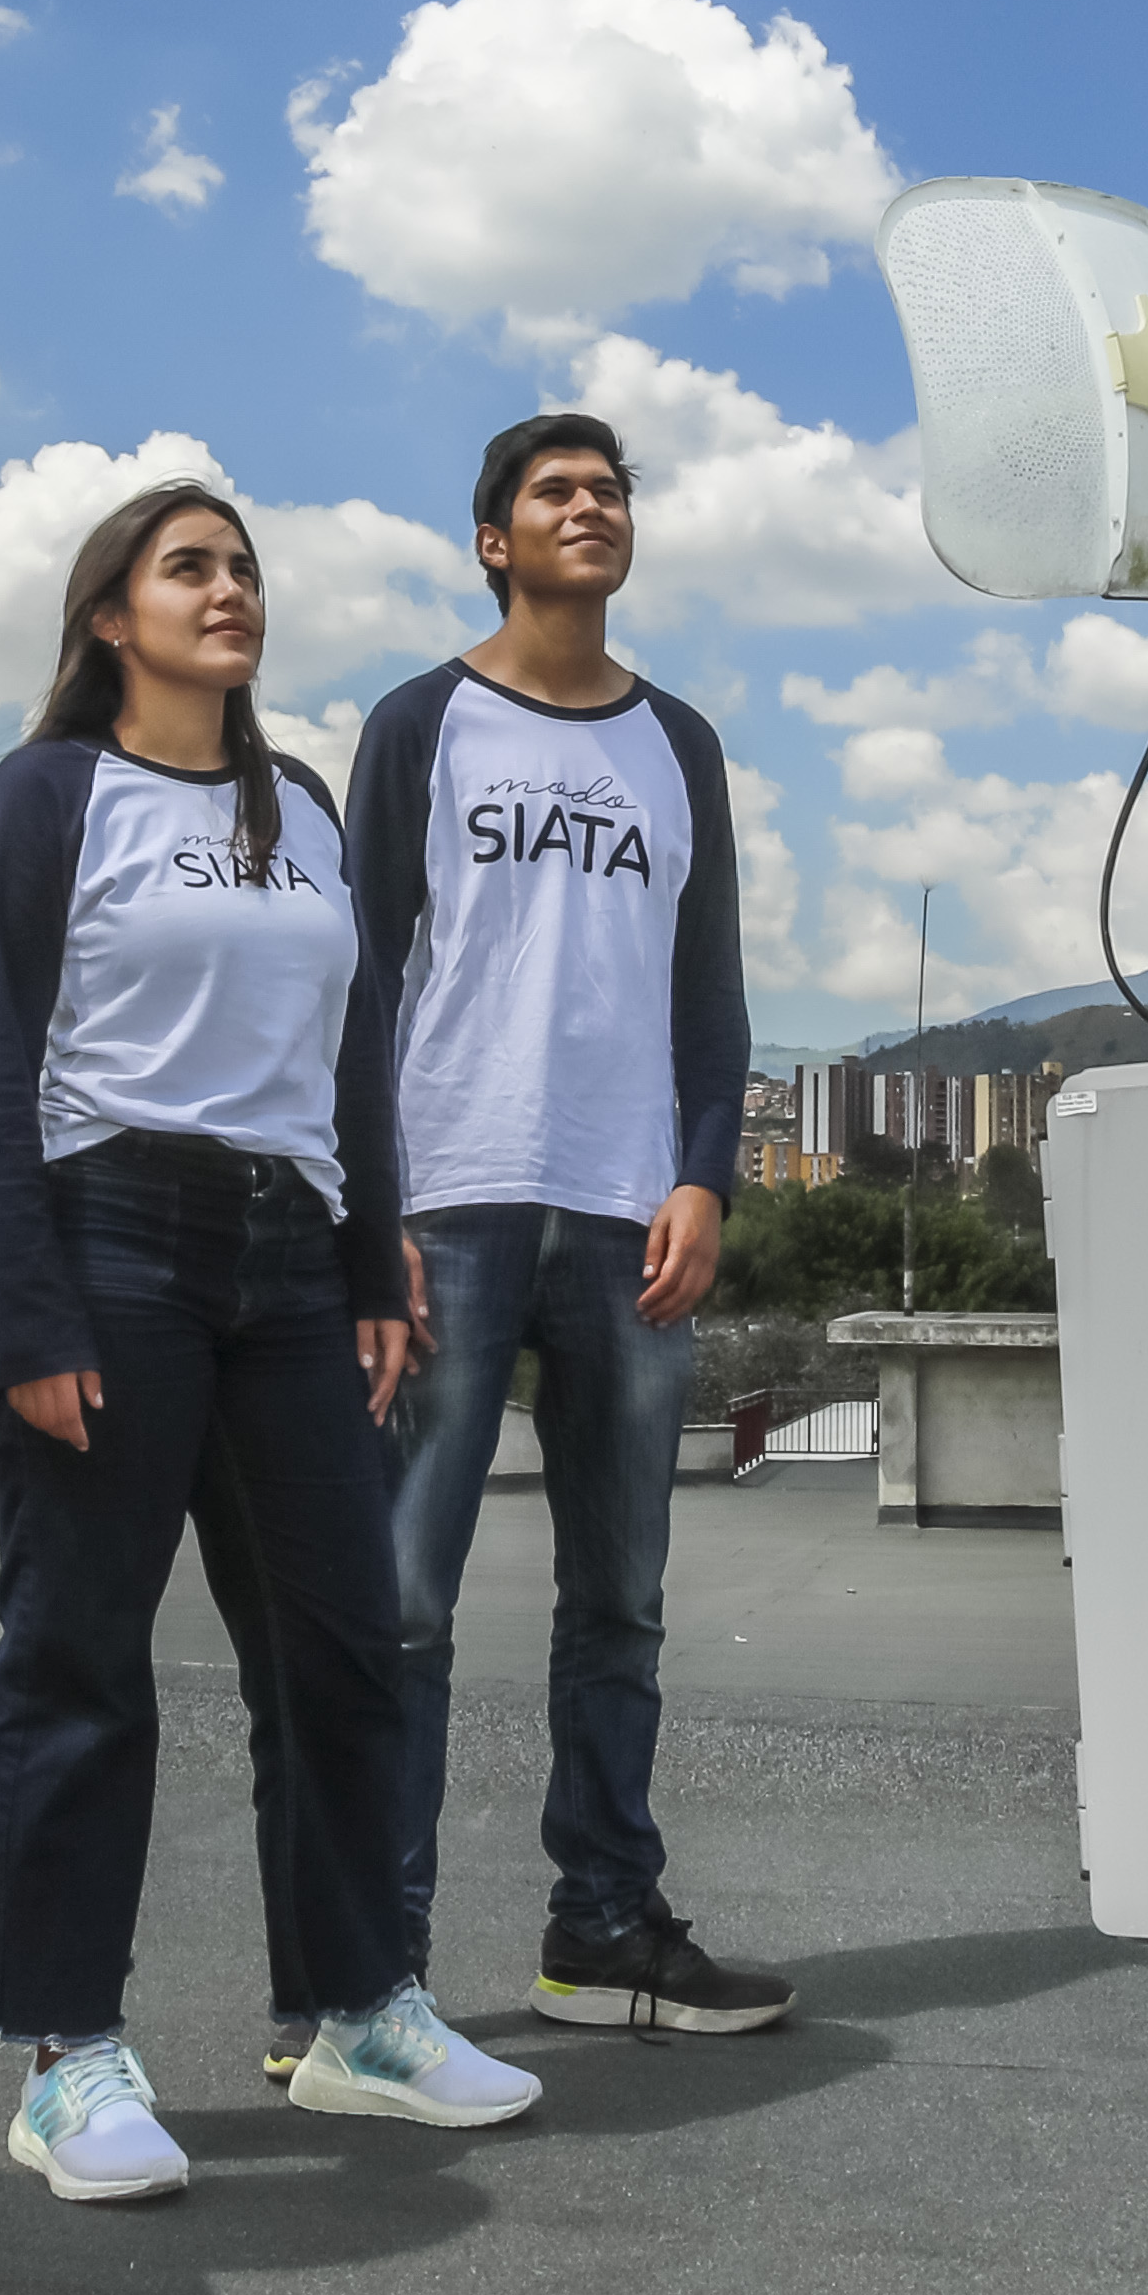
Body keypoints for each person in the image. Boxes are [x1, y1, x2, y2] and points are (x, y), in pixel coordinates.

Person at [0, 478, 539, 2200]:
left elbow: (351, 1057)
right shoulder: (49, 796)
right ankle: (64, 2055)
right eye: (187, 567)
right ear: (109, 618)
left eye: (244, 567)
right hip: (110, 1240)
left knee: (346, 1647)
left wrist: (374, 1264)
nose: (230, 589)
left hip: (290, 1262)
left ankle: (359, 2013)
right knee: (80, 1659)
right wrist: (27, 1306)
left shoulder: (303, 808)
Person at [339, 413, 793, 2046]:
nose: (591, 507)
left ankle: (599, 1931)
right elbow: (363, 979)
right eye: (556, 492)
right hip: (448, 1207)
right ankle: (369, 1972)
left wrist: (703, 1175)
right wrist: (367, 1205)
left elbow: (712, 991)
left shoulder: (681, 743)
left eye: (611, 491)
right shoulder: (420, 726)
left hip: (629, 1221)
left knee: (624, 1605)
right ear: (494, 540)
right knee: (399, 1607)